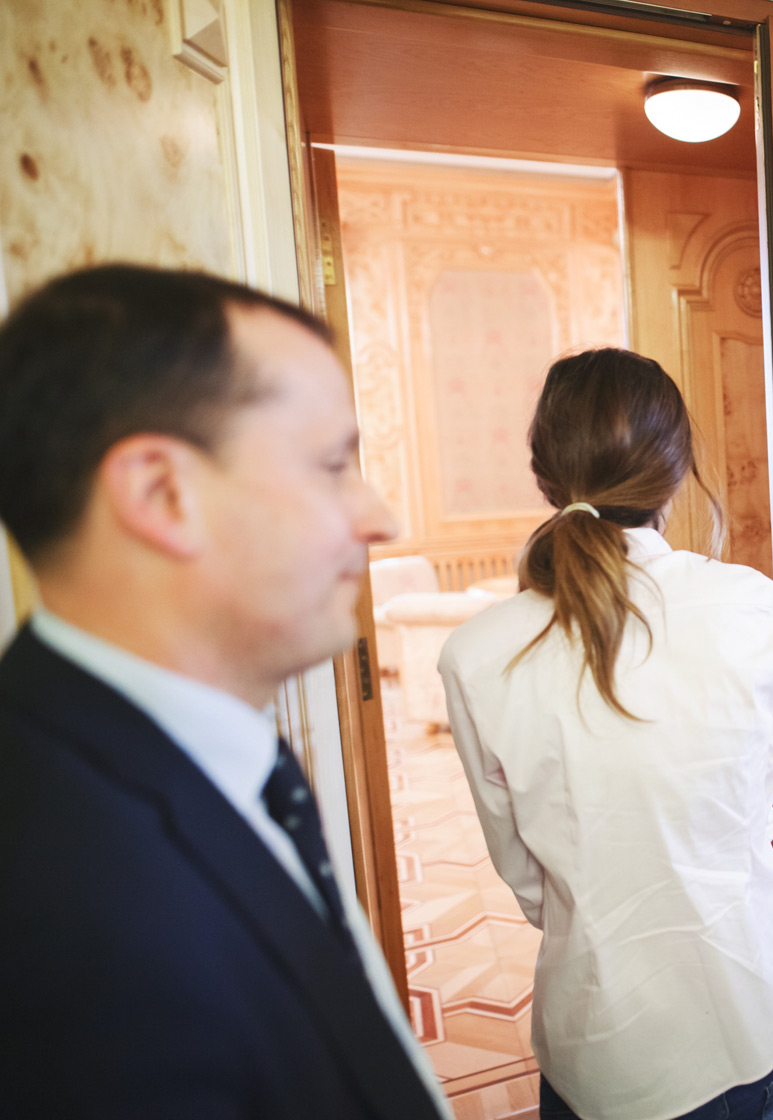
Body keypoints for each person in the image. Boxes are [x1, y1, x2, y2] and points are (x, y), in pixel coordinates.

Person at [0, 265, 449, 1119]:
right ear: (162, 493)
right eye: (333, 465)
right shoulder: (62, 919)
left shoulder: (212, 752)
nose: (382, 518)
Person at [438, 348, 773, 1120]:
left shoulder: (475, 656)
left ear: (545, 475)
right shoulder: (752, 605)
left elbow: (530, 883)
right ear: (676, 471)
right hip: (756, 1007)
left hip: (612, 1049)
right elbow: (753, 803)